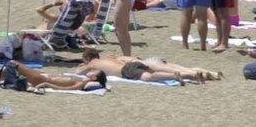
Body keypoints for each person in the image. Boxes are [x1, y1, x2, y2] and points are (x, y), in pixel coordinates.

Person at [76, 49, 219, 83]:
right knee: (179, 67)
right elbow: (135, 58)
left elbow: (78, 72)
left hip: (129, 68)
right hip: (137, 62)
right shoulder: (111, 57)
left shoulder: (92, 63)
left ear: (88, 59)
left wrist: (83, 65)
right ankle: (208, 73)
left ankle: (185, 76)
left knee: (148, 77)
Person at [0, 60, 106, 91]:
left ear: (94, 78)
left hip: (41, 79)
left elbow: (65, 88)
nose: (91, 70)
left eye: (93, 71)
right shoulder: (81, 79)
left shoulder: (81, 83)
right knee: (10, 67)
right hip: (43, 76)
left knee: (13, 63)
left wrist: (46, 83)